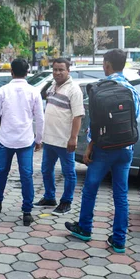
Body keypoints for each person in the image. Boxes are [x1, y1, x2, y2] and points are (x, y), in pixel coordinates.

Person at [66, 49, 140, 253]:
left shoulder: (100, 88)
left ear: (107, 64)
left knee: (90, 188)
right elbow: (134, 119)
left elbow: (95, 124)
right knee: (121, 194)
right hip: (126, 149)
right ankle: (119, 240)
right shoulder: (132, 90)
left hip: (104, 148)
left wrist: (89, 147)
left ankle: (85, 228)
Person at [0, 59, 44, 226]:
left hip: (5, 138)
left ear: (11, 71)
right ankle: (27, 211)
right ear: (27, 72)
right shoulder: (34, 92)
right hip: (26, 140)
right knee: (26, 175)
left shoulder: (2, 91)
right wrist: (39, 139)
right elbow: (40, 118)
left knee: (2, 171)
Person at [35, 58, 84, 215]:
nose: (57, 72)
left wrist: (73, 138)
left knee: (68, 172)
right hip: (49, 139)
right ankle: (49, 197)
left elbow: (78, 116)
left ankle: (66, 202)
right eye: (55, 69)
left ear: (68, 71)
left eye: (61, 69)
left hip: (64, 140)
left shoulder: (74, 90)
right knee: (46, 169)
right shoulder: (53, 86)